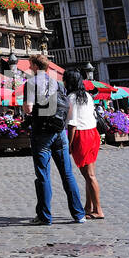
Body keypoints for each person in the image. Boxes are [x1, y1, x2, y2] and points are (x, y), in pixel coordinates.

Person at [22, 54, 86, 225]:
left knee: (43, 175)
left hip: (41, 133)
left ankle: (45, 216)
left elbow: (28, 109)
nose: (29, 67)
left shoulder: (31, 83)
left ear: (36, 66)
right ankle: (79, 214)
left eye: (30, 64)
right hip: (59, 132)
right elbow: (68, 107)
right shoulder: (57, 84)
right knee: (67, 174)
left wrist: (31, 109)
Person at [64, 70, 104, 219]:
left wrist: (69, 143)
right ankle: (89, 207)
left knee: (90, 176)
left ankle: (98, 210)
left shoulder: (71, 98)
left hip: (82, 136)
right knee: (89, 175)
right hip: (93, 133)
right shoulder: (87, 95)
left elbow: (72, 124)